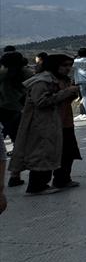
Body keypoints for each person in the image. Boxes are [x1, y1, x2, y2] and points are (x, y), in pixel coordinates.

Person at [10, 54, 82, 194]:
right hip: (46, 124)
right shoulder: (42, 81)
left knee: (67, 153)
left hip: (64, 122)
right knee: (43, 154)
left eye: (69, 65)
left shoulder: (62, 79)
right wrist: (66, 92)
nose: (68, 68)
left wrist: (71, 93)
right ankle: (37, 185)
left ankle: (62, 179)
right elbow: (41, 102)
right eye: (64, 65)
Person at [0, 51, 30, 187]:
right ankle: (15, 175)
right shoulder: (25, 73)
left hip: (2, 111)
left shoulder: (2, 74)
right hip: (17, 111)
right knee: (19, 144)